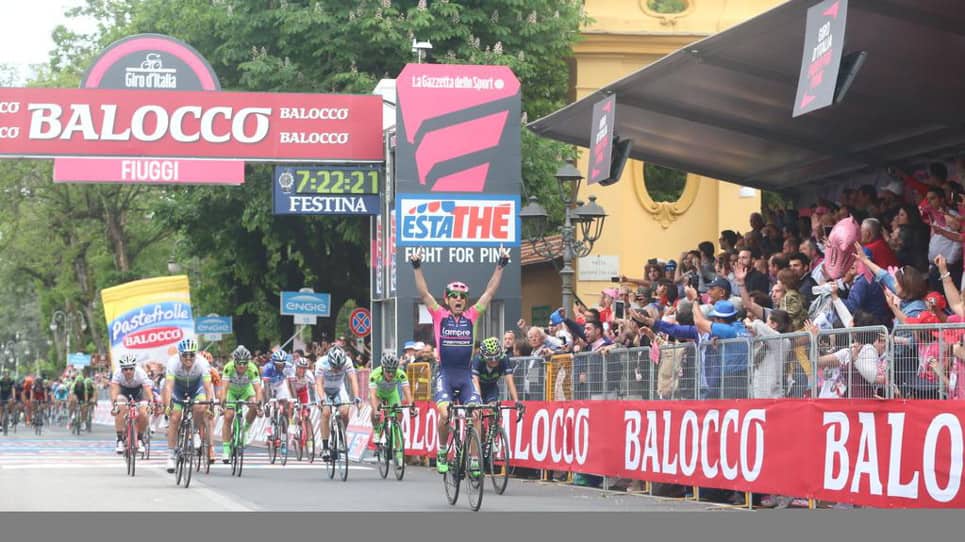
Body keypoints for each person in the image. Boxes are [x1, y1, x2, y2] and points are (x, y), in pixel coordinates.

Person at [409, 246, 510, 475]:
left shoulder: (472, 316)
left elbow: (490, 292)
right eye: (453, 296)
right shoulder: (439, 314)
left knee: (474, 414)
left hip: (465, 376)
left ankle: (474, 461)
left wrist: (501, 264)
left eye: (462, 297)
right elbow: (424, 293)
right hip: (445, 374)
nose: (458, 299)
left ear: (465, 301)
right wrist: (416, 267)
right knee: (445, 414)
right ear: (447, 299)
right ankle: (443, 450)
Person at [162, 338, 215, 474]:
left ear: (195, 355)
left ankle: (195, 431)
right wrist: (168, 405)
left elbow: (208, 387)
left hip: (196, 389)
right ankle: (171, 456)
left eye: (191, 354)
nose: (188, 358)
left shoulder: (202, 363)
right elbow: (168, 386)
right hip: (178, 391)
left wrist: (210, 405)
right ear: (179, 355)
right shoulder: (173, 362)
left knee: (200, 406)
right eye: (185, 355)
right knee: (174, 418)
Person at [314, 345, 360, 461]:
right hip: (324, 389)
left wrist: (357, 396)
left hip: (339, 388)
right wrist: (321, 399)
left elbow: (353, 380)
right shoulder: (321, 363)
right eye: (335, 367)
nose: (337, 370)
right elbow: (318, 383)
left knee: (345, 411)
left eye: (340, 367)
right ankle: (325, 448)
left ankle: (340, 437)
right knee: (325, 413)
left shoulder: (348, 362)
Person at [219, 345, 264, 463]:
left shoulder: (252, 368)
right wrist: (222, 403)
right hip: (232, 392)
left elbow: (258, 389)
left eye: (245, 363)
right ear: (234, 361)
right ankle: (226, 449)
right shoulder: (228, 367)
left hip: (246, 390)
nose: (242, 366)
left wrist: (259, 405)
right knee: (228, 416)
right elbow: (223, 388)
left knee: (254, 404)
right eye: (239, 363)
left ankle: (245, 430)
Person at [368, 352, 416, 450]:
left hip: (391, 394)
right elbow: (372, 395)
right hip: (378, 395)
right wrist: (377, 411)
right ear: (382, 368)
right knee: (375, 411)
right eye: (388, 371)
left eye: (393, 371)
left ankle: (397, 444)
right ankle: (377, 430)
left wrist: (411, 406)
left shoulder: (401, 374)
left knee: (398, 415)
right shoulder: (375, 374)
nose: (391, 374)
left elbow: (407, 391)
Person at [109, 354, 154, 454]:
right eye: (125, 369)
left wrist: (151, 403)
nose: (128, 371)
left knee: (144, 413)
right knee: (120, 408)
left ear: (134, 368)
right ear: (121, 369)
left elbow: (147, 390)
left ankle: (140, 438)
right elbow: (114, 390)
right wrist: (115, 404)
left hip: (138, 392)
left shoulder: (141, 373)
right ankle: (120, 439)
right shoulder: (117, 373)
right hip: (123, 391)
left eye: (130, 369)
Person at [471, 337, 522, 407]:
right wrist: (478, 400)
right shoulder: (478, 360)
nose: (494, 361)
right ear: (483, 357)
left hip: (491, 387)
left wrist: (516, 401)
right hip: (477, 386)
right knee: (477, 408)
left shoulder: (504, 359)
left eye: (496, 357)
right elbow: (475, 382)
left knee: (493, 408)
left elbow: (510, 382)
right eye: (490, 359)